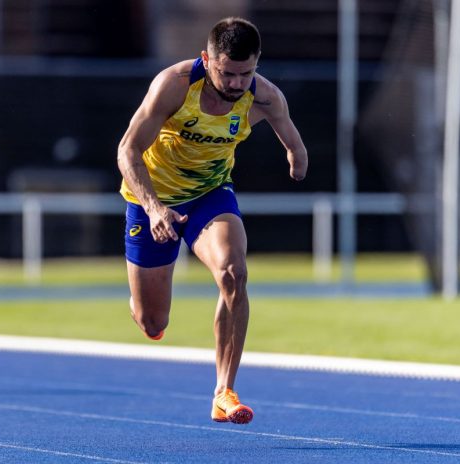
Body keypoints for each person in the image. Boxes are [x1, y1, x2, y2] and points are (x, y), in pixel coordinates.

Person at [116, 17, 308, 425]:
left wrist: (297, 158)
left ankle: (224, 391)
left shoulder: (266, 96)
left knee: (234, 273)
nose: (237, 83)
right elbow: (128, 150)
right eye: (227, 72)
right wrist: (153, 208)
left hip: (210, 196)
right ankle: (141, 306)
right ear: (207, 59)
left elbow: (290, 135)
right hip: (153, 199)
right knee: (154, 323)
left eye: (246, 73)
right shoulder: (175, 85)